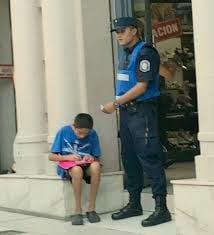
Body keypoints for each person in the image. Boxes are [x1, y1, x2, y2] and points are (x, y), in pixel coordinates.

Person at [101, 17, 171, 227]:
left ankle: (161, 208)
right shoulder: (127, 54)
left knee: (149, 158)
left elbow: (142, 86)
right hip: (127, 113)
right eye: (117, 32)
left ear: (134, 30)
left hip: (142, 112)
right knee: (129, 158)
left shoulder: (145, 52)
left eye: (122, 30)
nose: (119, 35)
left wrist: (115, 103)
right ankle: (134, 203)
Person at [49, 113, 102, 225]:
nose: (82, 136)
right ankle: (78, 211)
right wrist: (67, 157)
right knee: (77, 170)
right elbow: (51, 156)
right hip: (68, 166)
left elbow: (97, 157)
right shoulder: (64, 131)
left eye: (85, 133)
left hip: (85, 165)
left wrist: (91, 157)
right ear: (74, 126)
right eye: (79, 133)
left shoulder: (93, 134)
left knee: (96, 166)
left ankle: (91, 209)